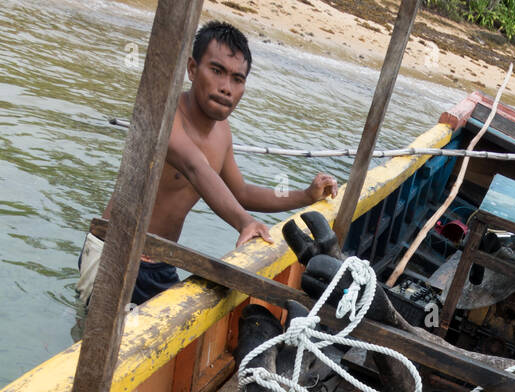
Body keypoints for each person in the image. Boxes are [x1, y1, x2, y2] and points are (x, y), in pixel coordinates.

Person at [76, 21, 338, 309]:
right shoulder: (164, 114)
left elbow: (240, 192)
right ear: (192, 69)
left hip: (162, 260)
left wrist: (304, 195)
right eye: (216, 71)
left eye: (237, 79)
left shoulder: (222, 134)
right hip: (116, 251)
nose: (226, 88)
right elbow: (194, 167)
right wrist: (244, 222)